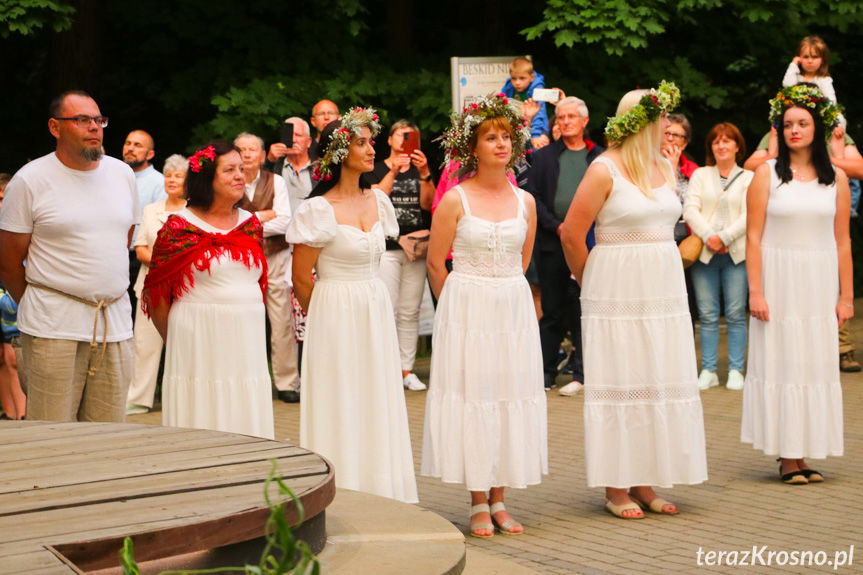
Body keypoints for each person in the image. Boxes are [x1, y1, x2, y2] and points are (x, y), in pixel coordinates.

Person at [561, 82, 707, 519]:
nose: (667, 126)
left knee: (655, 376)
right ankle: (616, 486)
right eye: (660, 118)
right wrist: (592, 283)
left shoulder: (665, 164)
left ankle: (644, 481)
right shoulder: (603, 169)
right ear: (639, 121)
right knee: (621, 379)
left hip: (661, 289)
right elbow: (571, 231)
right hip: (616, 288)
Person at [422, 93, 547, 538]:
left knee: (508, 395)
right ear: (472, 148)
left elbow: (522, 258)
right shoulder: (456, 199)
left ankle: (501, 496)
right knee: (475, 395)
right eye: (489, 137)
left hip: (509, 308)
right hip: (468, 308)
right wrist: (452, 312)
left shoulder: (525, 202)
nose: (500, 144)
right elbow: (437, 262)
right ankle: (477, 500)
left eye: (505, 137)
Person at [287, 108, 418, 503]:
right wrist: (327, 315)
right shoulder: (316, 209)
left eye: (369, 141)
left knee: (376, 395)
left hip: (374, 307)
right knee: (339, 397)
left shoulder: (379, 200)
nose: (370, 148)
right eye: (360, 142)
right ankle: (339, 491)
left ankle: (384, 490)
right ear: (341, 151)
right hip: (333, 309)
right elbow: (300, 279)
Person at [0, 90, 138, 423]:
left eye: (98, 120)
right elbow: (8, 261)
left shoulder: (123, 174)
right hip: (53, 326)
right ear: (55, 127)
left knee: (108, 434)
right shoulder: (30, 180)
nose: (94, 127)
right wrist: (41, 301)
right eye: (81, 120)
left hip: (114, 325)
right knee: (53, 435)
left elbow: (124, 241)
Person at [742, 85, 851, 484]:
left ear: (816, 128)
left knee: (813, 363)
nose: (794, 131)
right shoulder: (765, 175)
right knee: (783, 361)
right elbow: (753, 236)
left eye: (802, 123)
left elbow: (843, 240)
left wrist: (845, 296)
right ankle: (788, 457)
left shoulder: (835, 178)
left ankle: (804, 453)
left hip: (818, 280)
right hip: (779, 278)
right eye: (788, 124)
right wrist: (756, 290)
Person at [142, 142, 274, 439]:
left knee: (244, 411)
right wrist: (181, 344)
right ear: (207, 179)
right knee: (204, 416)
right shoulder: (179, 228)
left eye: (241, 169)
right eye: (229, 170)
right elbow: (157, 294)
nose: (240, 175)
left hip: (247, 345)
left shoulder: (251, 225)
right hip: (198, 344)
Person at [526, 96, 604, 395]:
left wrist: (581, 230)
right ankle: (544, 373)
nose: (565, 121)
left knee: (585, 307)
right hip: (553, 242)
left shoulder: (600, 157)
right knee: (552, 309)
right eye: (561, 117)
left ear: (585, 121)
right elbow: (534, 197)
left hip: (591, 243)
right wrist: (559, 227)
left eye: (572, 116)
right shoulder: (545, 158)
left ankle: (583, 374)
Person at [683, 123, 753, 391]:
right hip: (705, 254)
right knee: (708, 314)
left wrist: (724, 238)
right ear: (711, 147)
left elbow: (751, 214)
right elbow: (690, 209)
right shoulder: (701, 175)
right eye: (716, 142)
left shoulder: (748, 178)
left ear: (738, 146)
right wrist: (710, 236)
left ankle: (736, 369)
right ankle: (709, 369)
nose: (722, 146)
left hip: (736, 253)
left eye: (727, 141)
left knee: (735, 314)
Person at [368, 120, 434, 391]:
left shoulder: (421, 168)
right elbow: (376, 199)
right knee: (388, 309)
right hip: (387, 248)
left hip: (416, 249)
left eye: (410, 136)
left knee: (410, 311)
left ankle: (406, 369)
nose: (405, 140)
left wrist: (425, 173)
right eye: (400, 135)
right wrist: (393, 171)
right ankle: (386, 368)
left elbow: (429, 204)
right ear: (390, 139)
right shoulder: (377, 167)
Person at [235, 132, 299, 403]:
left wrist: (245, 223)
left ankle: (287, 383)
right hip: (240, 261)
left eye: (252, 149)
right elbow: (226, 223)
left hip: (276, 258)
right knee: (242, 320)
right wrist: (261, 217)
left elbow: (285, 222)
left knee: (282, 321)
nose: (247, 154)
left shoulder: (277, 181)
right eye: (242, 149)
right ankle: (245, 382)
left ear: (262, 156)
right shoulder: (229, 181)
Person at [125, 154, 188, 415]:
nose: (172, 180)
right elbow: (140, 246)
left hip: (184, 287)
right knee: (144, 344)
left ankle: (185, 396)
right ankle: (138, 398)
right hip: (150, 284)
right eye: (168, 175)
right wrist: (162, 262)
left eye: (178, 176)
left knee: (185, 344)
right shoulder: (151, 209)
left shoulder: (193, 212)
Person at [123, 130, 166, 316]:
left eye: (138, 145)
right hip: (111, 254)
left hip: (138, 257)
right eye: (128, 143)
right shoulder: (113, 176)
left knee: (134, 313)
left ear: (150, 154)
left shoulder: (160, 183)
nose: (130, 148)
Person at [782, 36, 845, 129]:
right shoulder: (796, 77)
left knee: (840, 119)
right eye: (806, 57)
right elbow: (787, 85)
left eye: (815, 57)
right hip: (795, 114)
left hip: (817, 116)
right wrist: (793, 64)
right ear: (799, 58)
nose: (810, 61)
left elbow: (831, 102)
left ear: (822, 60)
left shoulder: (823, 80)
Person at [501, 56, 550, 149]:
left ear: (532, 77)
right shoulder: (508, 88)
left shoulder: (537, 89)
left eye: (522, 78)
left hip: (538, 130)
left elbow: (540, 114)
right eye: (514, 78)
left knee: (536, 150)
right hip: (518, 129)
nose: (517, 82)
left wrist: (536, 136)